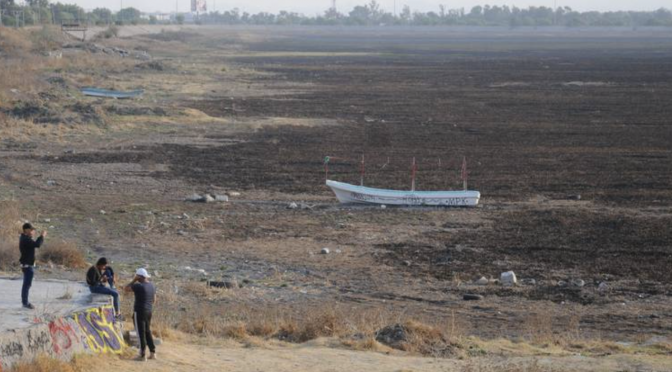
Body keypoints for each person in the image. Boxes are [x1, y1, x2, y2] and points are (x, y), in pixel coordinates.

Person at [124, 268, 157, 362]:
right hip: (149, 311)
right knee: (147, 331)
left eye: (137, 276)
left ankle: (142, 355)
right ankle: (152, 352)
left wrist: (133, 280)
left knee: (140, 333)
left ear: (139, 277)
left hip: (139, 312)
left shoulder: (138, 286)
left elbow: (126, 288)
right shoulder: (151, 285)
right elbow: (154, 300)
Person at [19, 223, 47, 309]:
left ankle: (25, 302)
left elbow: (33, 244)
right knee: (26, 285)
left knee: (26, 284)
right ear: (26, 230)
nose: (32, 231)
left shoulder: (25, 238)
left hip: (27, 265)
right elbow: (37, 244)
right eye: (31, 230)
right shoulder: (26, 239)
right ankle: (25, 303)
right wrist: (42, 236)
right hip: (27, 266)